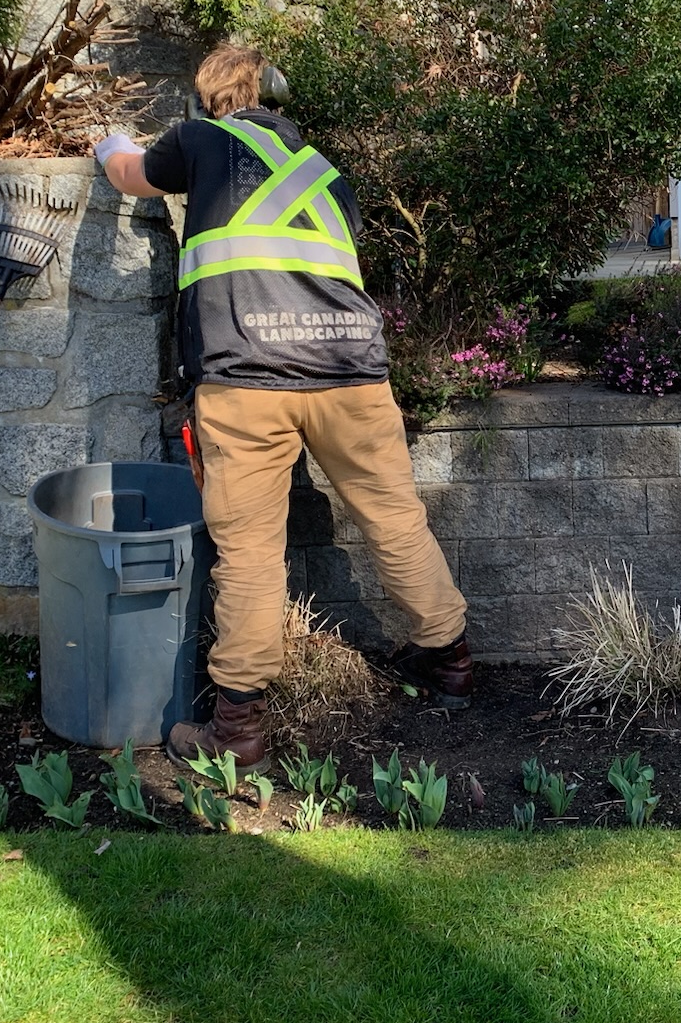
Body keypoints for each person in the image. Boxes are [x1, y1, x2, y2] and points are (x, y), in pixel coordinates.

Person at [92, 45, 473, 774]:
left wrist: (108, 141)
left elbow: (131, 175)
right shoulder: (323, 171)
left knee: (249, 551)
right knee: (395, 518)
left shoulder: (199, 140)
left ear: (210, 98)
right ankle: (448, 658)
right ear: (271, 97)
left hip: (247, 377)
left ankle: (238, 727)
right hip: (352, 374)